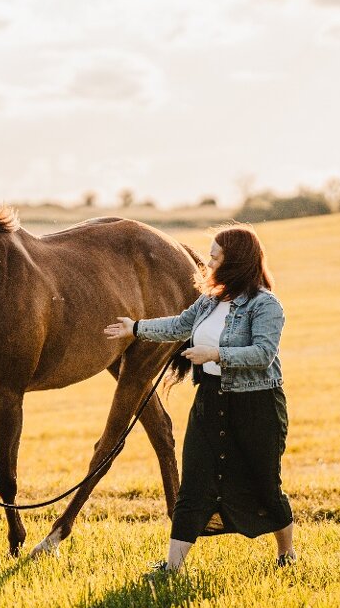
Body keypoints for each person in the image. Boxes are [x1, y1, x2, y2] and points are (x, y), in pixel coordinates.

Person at [103, 223, 295, 575]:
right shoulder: (208, 302)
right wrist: (136, 328)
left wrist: (216, 354)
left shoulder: (265, 305)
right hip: (210, 400)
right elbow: (179, 326)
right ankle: (172, 566)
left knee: (265, 483)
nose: (209, 264)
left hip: (257, 405)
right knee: (193, 483)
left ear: (236, 261)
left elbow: (264, 353)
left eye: (215, 257)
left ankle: (286, 553)